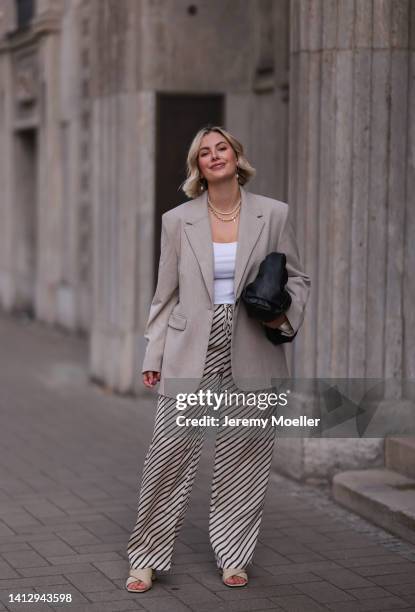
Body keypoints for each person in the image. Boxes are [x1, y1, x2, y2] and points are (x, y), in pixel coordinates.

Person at [126, 126, 311, 592]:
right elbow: (164, 295)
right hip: (192, 347)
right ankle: (145, 556)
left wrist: (279, 321)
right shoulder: (178, 220)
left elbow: (298, 278)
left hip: (251, 338)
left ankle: (235, 552)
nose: (214, 156)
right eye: (204, 152)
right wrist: (155, 352)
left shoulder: (273, 214)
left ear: (236, 155)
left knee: (244, 454)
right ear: (197, 166)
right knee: (168, 453)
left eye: (221, 148)